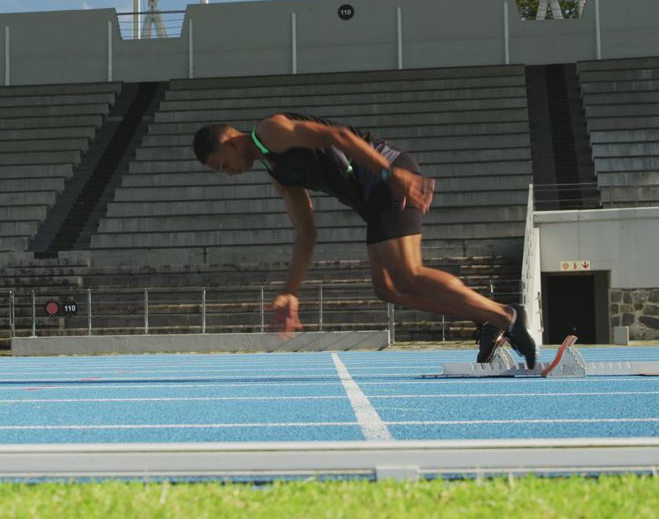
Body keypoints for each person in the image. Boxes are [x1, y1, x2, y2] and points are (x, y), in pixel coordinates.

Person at [192, 112, 537, 368]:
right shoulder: (278, 174)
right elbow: (306, 233)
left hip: (386, 173)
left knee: (408, 273)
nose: (228, 174)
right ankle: (487, 317)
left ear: (231, 141)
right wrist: (290, 292)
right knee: (387, 287)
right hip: (371, 196)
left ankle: (506, 317)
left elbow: (339, 137)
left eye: (223, 164)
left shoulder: (270, 131)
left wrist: (392, 173)